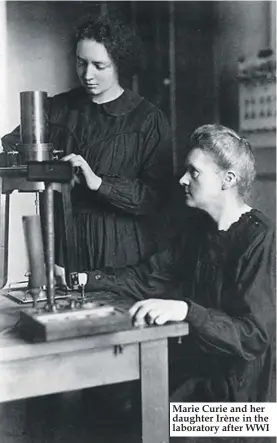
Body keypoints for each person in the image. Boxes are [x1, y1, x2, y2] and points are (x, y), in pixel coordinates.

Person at [76, 124, 276, 402]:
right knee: (119, 404)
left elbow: (252, 336)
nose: (182, 179)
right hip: (198, 376)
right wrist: (84, 280)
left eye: (193, 171)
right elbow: (149, 278)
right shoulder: (197, 229)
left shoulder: (260, 236)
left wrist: (186, 310)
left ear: (227, 179)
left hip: (240, 395)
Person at [1, 12, 173, 276]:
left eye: (98, 65)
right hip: (65, 242)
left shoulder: (148, 120)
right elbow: (15, 147)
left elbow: (157, 197)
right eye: (81, 63)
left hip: (121, 248)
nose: (87, 74)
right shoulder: (56, 109)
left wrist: (99, 183)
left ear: (119, 64)